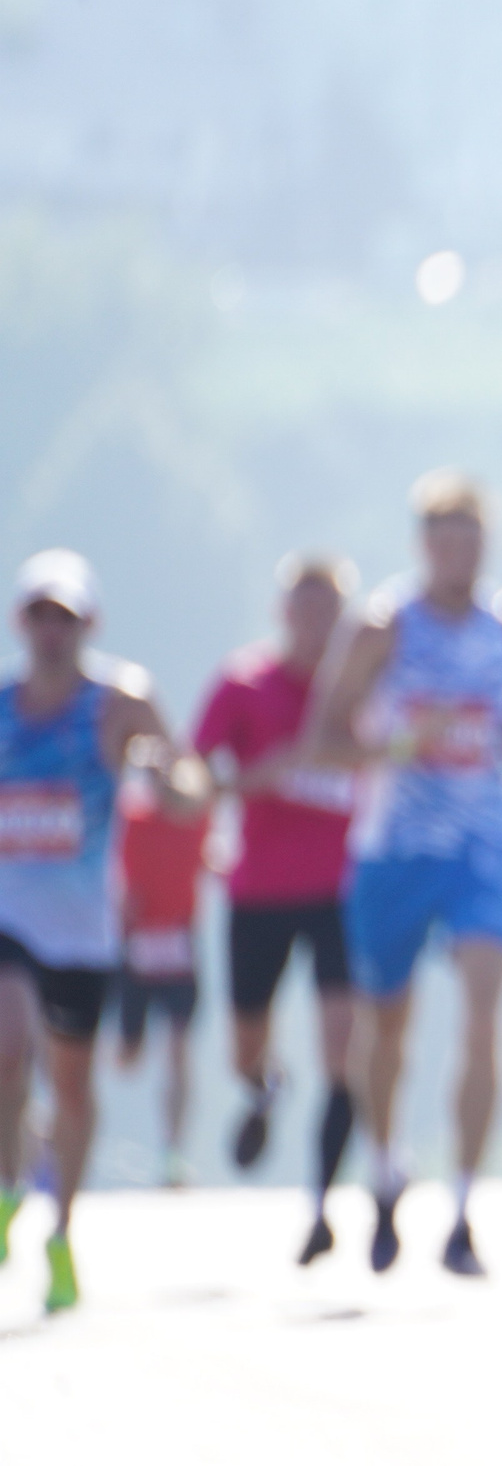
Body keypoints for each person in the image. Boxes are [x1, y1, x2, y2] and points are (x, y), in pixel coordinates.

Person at [307, 471, 502, 1278]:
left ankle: (466, 1207)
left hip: (482, 845)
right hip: (395, 848)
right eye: (442, 540)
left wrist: (500, 737)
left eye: (470, 539)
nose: (457, 555)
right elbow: (322, 741)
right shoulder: (382, 626)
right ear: (421, 545)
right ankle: (387, 1168)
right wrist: (402, 743)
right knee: (388, 1028)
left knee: (482, 1015)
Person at [0, 550, 206, 1313]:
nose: (53, 631)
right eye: (40, 615)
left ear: (89, 624)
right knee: (7, 1049)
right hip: (8, 915)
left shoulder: (120, 702)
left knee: (72, 1085)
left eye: (68, 617)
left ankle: (60, 1229)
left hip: (83, 929)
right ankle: (6, 1187)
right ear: (22, 622)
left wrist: (159, 772)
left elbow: (191, 788)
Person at [192, 551, 361, 1263]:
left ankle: (322, 1202)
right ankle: (262, 1088)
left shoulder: (360, 692)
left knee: (344, 1049)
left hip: (341, 892)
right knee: (244, 1046)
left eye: (332, 611)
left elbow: (396, 752)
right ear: (282, 613)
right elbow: (192, 771)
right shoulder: (244, 682)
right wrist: (259, 777)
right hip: (258, 888)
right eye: (306, 608)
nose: (317, 624)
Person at [109, 753, 214, 1185]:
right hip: (135, 949)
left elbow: (212, 853)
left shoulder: (197, 818)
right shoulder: (130, 819)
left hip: (179, 948)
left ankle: (172, 1151)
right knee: (127, 1056)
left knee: (177, 1048)